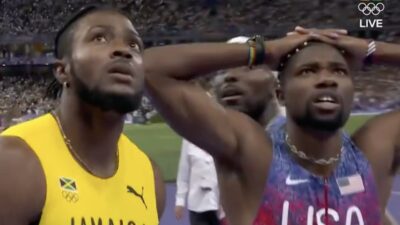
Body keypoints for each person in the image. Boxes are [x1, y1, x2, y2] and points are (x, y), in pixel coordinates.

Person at [143, 29, 400, 225]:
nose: (326, 80)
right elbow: (151, 68)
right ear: (281, 94)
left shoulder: (375, 150)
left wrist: (371, 49)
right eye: (308, 71)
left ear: (351, 91)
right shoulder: (252, 154)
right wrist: (264, 50)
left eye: (339, 71)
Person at [0, 5, 165, 225]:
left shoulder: (149, 176)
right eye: (99, 38)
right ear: (62, 70)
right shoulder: (14, 162)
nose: (124, 50)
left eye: (134, 45)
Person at [175, 36, 285, 225]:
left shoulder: (297, 138)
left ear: (275, 82)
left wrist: (272, 50)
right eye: (223, 70)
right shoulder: (207, 131)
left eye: (248, 67)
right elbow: (153, 70)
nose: (230, 76)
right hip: (205, 206)